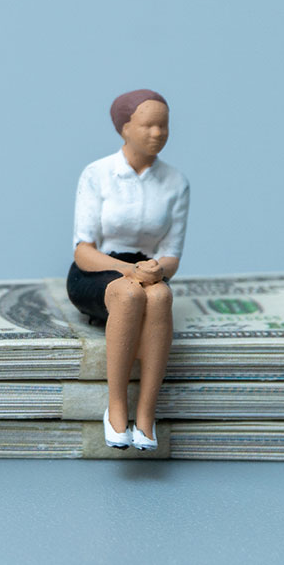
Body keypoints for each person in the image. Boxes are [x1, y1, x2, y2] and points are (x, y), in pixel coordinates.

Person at [67, 89, 189, 451]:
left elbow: (172, 256)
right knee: (130, 292)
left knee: (161, 294)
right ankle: (117, 405)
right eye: (148, 125)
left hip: (147, 268)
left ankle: (147, 413)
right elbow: (83, 252)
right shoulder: (98, 173)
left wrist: (156, 269)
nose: (158, 133)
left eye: (163, 125)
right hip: (100, 270)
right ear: (124, 128)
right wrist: (128, 270)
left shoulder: (176, 182)